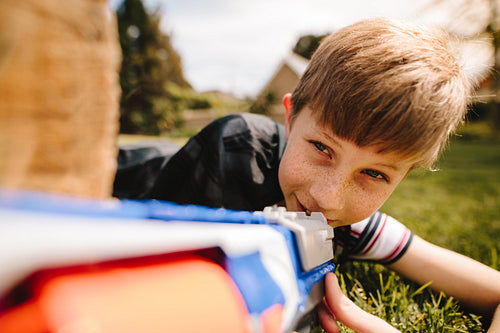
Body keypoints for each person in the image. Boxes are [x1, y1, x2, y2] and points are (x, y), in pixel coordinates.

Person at [113, 17, 500, 332]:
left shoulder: (354, 228)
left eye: (374, 174)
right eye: (321, 148)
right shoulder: (233, 151)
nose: (328, 198)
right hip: (124, 171)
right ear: (290, 116)